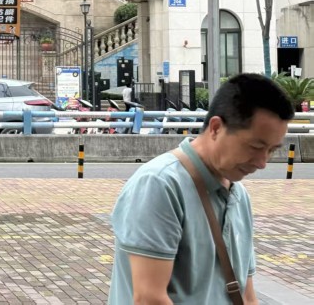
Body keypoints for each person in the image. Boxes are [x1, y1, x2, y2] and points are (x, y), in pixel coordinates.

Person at [108, 73, 294, 304]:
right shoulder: (160, 184)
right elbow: (149, 298)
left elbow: (246, 295)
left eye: (272, 150)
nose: (262, 162)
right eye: (255, 146)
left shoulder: (238, 195)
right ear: (216, 128)